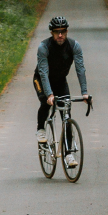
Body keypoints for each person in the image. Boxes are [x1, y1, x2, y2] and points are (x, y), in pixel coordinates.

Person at [34, 14, 91, 144]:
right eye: (56, 32)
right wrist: (49, 94)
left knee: (66, 113)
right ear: (52, 33)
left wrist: (85, 93)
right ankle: (41, 129)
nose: (60, 35)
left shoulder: (74, 46)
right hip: (41, 79)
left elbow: (80, 69)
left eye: (63, 31)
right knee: (45, 102)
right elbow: (43, 72)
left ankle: (69, 153)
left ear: (66, 31)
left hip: (60, 81)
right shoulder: (44, 47)